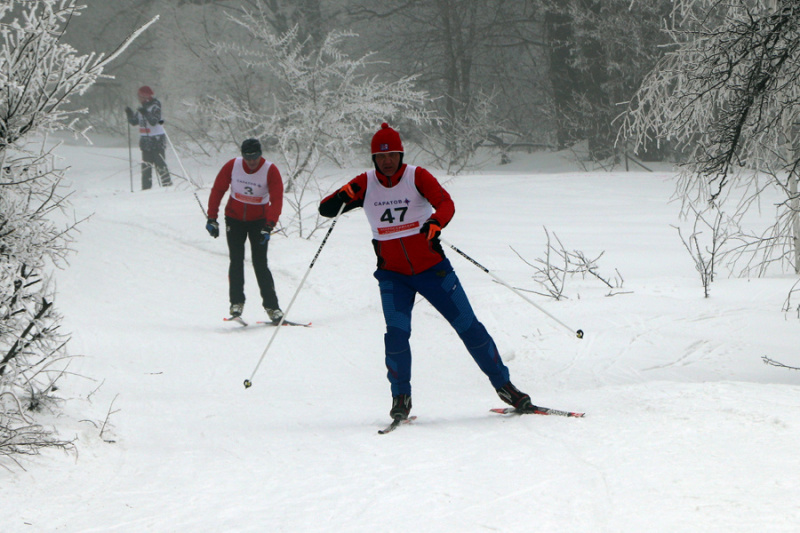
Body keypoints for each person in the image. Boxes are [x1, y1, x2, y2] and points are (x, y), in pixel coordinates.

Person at [319, 122, 535, 421]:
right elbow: (326, 210)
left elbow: (445, 203)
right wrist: (344, 195)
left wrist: (436, 222)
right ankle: (401, 397)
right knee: (396, 336)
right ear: (373, 159)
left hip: (433, 270)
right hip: (393, 276)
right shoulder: (366, 183)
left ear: (400, 154)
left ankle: (505, 387)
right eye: (381, 156)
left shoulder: (416, 176)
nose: (387, 161)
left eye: (392, 154)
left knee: (468, 327)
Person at [206, 138, 285, 324]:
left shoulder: (270, 170)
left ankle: (272, 307)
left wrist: (269, 226)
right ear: (242, 155)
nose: (251, 162)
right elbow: (218, 190)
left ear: (260, 155)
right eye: (248, 158)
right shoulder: (232, 166)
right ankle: (236, 304)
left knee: (260, 263)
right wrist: (212, 218)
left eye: (255, 157)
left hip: (259, 222)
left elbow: (277, 200)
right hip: (234, 219)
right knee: (236, 260)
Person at [125, 85, 172, 190]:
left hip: (157, 140)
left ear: (146, 96)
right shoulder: (143, 108)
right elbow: (134, 122)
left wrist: (145, 113)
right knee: (146, 167)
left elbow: (154, 121)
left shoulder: (155, 106)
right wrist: (130, 114)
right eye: (138, 96)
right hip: (146, 142)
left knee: (161, 166)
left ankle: (167, 186)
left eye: (140, 95)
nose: (139, 98)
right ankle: (146, 189)